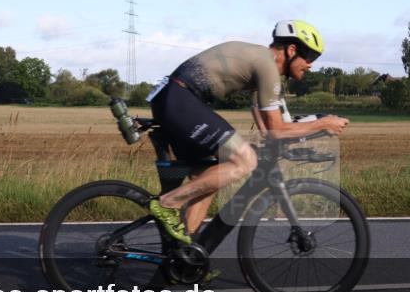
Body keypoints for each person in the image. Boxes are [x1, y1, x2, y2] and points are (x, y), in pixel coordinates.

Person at [147, 19, 349, 243]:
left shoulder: (264, 66)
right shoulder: (266, 64)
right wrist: (323, 124)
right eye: (310, 57)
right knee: (245, 160)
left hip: (173, 99)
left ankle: (183, 253)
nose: (310, 65)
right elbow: (275, 130)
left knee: (209, 178)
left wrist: (299, 132)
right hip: (179, 99)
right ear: (292, 50)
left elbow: (266, 127)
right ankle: (168, 203)